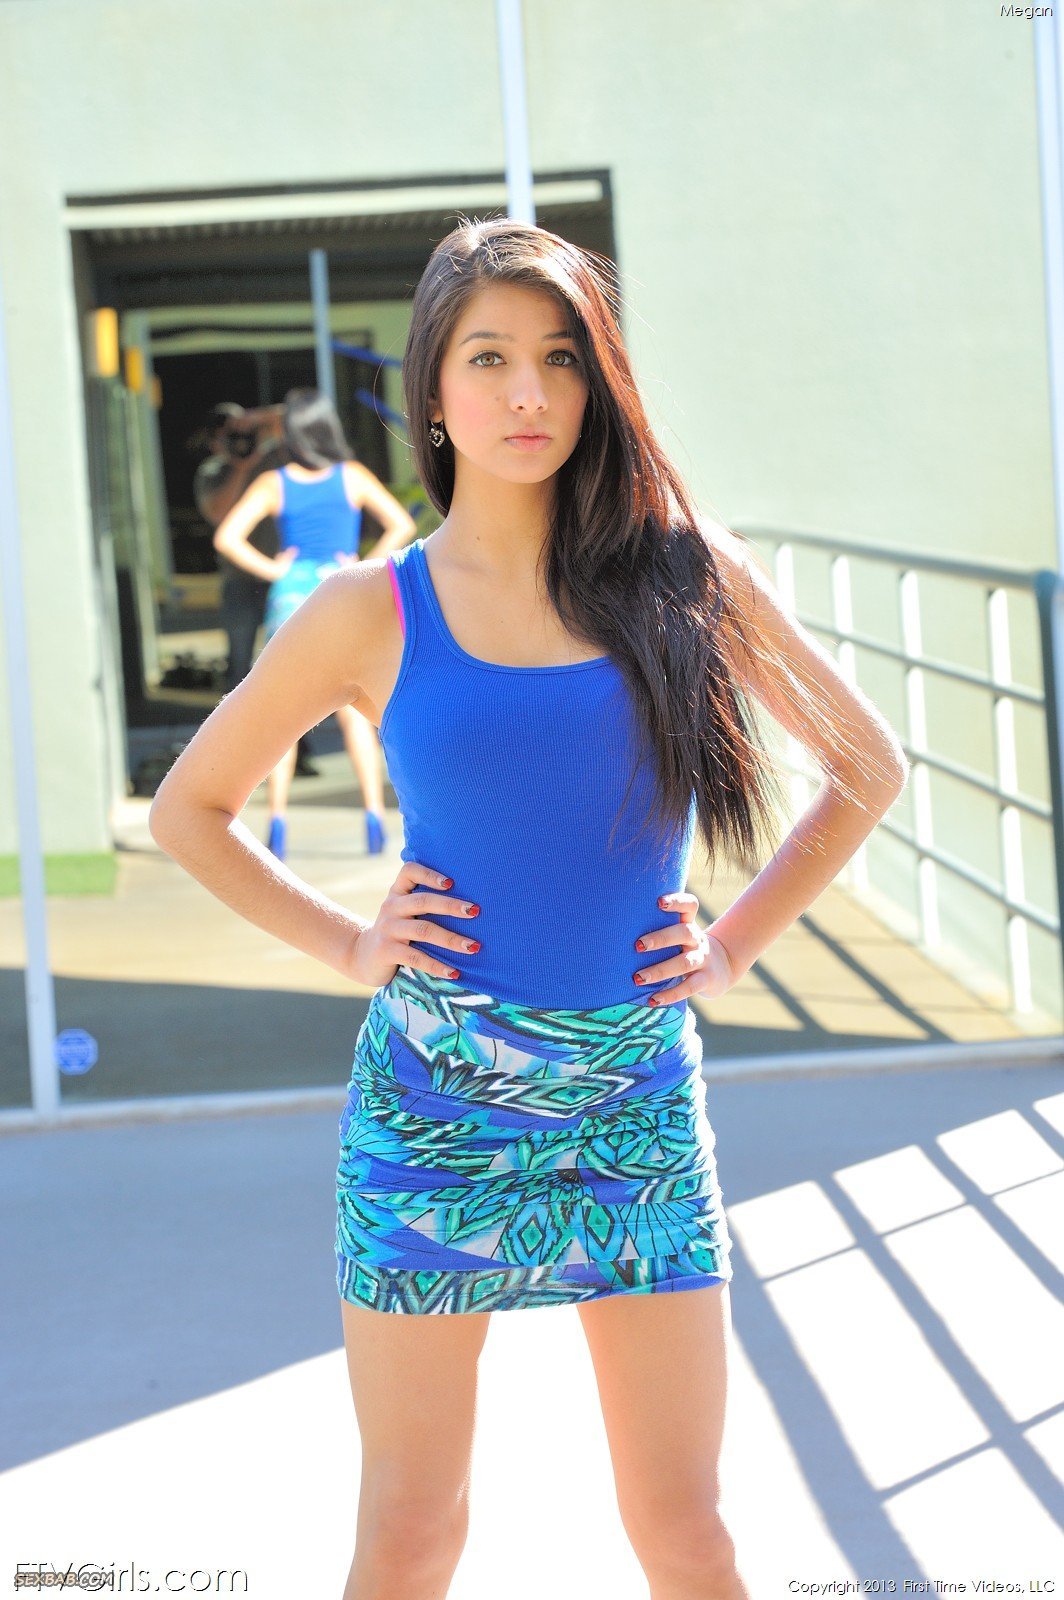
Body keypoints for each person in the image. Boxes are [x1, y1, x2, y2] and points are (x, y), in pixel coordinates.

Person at [148, 219, 908, 1600]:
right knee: (412, 1532)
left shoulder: (685, 574)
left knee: (688, 1533)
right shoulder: (370, 607)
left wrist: (732, 944)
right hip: (432, 1111)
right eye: (489, 358)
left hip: (633, 1108)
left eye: (560, 359)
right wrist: (349, 942)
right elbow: (188, 808)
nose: (527, 393)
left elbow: (865, 764)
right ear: (433, 393)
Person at [211, 387, 417, 858]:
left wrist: (274, 570)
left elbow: (227, 537)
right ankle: (373, 818)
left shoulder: (274, 482)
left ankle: (277, 823)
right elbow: (401, 525)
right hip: (341, 592)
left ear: (292, 434)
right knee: (355, 710)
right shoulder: (352, 477)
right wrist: (365, 565)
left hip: (292, 597)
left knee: (284, 716)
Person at [191, 401, 318, 777]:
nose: (241, 439)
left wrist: (255, 420)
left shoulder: (273, 458)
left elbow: (294, 417)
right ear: (216, 440)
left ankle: (297, 753)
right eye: (231, 433)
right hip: (241, 581)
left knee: (291, 667)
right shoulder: (214, 471)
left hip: (283, 582)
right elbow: (218, 514)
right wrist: (240, 467)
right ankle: (238, 758)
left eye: (244, 431)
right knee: (242, 669)